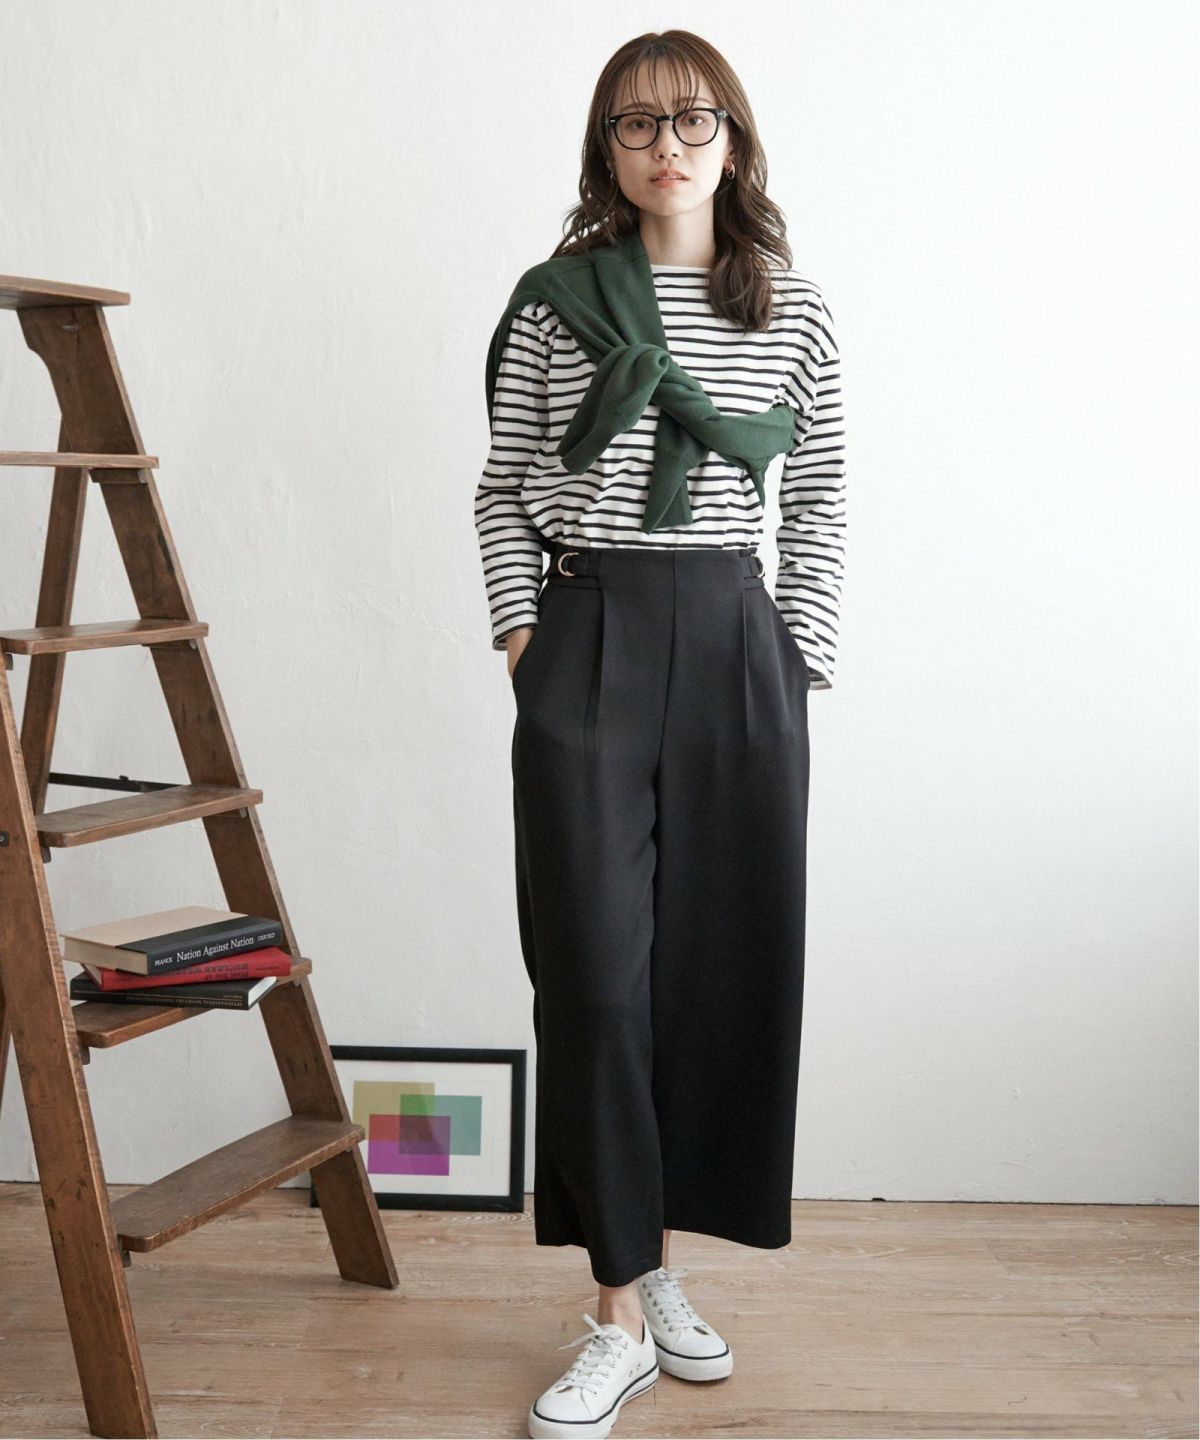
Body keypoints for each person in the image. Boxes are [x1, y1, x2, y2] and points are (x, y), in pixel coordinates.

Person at [473, 29, 847, 1440]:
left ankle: (655, 1263)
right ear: (606, 148)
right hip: (590, 630)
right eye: (635, 124)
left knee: (718, 971)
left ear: (733, 141)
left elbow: (818, 492)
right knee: (593, 976)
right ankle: (618, 1315)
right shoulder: (557, 300)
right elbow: (505, 485)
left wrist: (799, 656)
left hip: (737, 637)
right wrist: (526, 640)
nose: (666, 145)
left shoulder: (791, 308)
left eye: (693, 120)